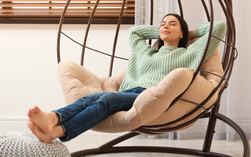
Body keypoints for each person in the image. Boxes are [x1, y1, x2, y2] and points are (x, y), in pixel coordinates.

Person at [27, 13, 227, 143]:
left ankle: (57, 132)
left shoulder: (189, 53)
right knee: (91, 98)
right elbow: (135, 31)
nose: (165, 26)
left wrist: (188, 33)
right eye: (162, 24)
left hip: (158, 97)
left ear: (182, 32)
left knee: (107, 98)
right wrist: (164, 30)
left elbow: (218, 28)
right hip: (133, 93)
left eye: (172, 24)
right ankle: (52, 118)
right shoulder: (146, 52)